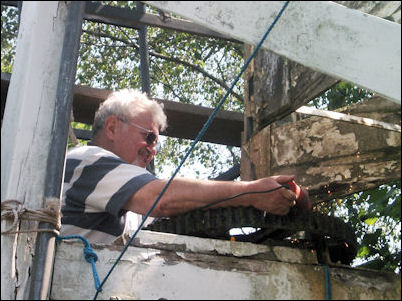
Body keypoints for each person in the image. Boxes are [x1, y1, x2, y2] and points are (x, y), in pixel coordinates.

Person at [61, 89, 297, 244]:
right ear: (112, 127)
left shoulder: (125, 202)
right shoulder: (88, 159)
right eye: (149, 137)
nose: (152, 149)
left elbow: (177, 210)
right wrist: (251, 192)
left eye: (156, 144)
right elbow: (163, 199)